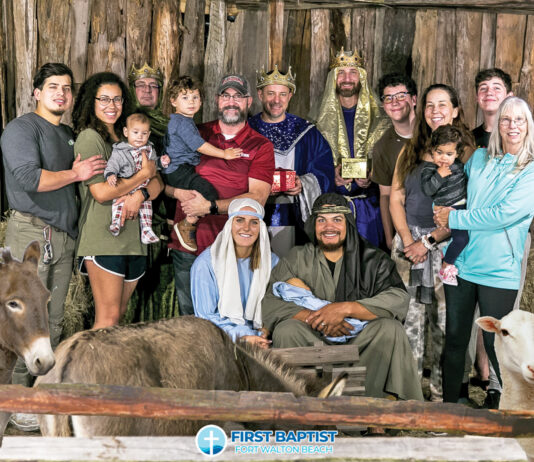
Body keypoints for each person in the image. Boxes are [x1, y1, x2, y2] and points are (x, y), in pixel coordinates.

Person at [0, 62, 106, 431]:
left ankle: (33, 401)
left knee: (53, 322)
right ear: (37, 93)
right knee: (20, 323)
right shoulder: (21, 129)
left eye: (66, 87)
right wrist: (77, 173)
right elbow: (28, 178)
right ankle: (10, 404)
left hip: (62, 237)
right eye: (52, 87)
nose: (60, 93)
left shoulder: (69, 135)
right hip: (30, 234)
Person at [262, 192, 423, 401]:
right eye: (322, 220)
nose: (329, 227)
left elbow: (398, 298)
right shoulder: (296, 257)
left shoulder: (373, 259)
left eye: (337, 220)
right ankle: (300, 407)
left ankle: (373, 407)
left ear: (348, 223)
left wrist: (345, 309)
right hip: (313, 336)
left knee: (390, 329)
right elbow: (271, 302)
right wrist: (319, 317)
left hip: (359, 339)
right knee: (286, 329)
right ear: (313, 225)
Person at [435, 96, 534, 407]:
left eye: (520, 120)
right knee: (454, 340)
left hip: (498, 268)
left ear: (528, 125)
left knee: (498, 344)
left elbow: (502, 215)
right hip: (462, 264)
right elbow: (455, 192)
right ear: (498, 125)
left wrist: (453, 218)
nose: (512, 125)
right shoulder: (478, 158)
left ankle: (512, 410)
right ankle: (451, 409)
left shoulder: (531, 171)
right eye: (506, 119)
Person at [390, 83, 475, 401]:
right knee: (408, 322)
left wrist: (427, 242)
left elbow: (468, 209)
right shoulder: (411, 148)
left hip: (445, 246)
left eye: (442, 104)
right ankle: (408, 396)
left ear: (455, 110)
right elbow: (396, 198)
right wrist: (409, 242)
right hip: (407, 249)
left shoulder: (468, 154)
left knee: (443, 323)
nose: (435, 111)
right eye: (429, 105)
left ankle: (442, 397)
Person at [167, 74, 275, 316]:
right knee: (193, 322)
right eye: (226, 95)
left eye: (238, 96)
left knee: (233, 320)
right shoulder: (195, 132)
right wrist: (177, 192)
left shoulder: (260, 145)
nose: (231, 101)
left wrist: (210, 207)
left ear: (248, 102)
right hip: (191, 244)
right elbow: (165, 174)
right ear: (217, 100)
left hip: (236, 248)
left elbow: (257, 198)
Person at [73, 72, 163, 329]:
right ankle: (94, 370)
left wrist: (140, 194)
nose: (111, 106)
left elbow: (158, 182)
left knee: (119, 315)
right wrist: (143, 175)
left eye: (117, 99)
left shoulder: (132, 137)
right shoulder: (91, 138)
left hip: (133, 239)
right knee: (108, 318)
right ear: (92, 101)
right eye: (104, 99)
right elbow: (101, 192)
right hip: (104, 238)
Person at [248, 65, 335, 257]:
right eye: (270, 93)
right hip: (251, 209)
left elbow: (325, 171)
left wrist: (302, 184)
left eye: (282, 94)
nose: (276, 100)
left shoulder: (307, 132)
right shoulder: (246, 130)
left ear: (290, 96)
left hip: (292, 211)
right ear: (260, 94)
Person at [315, 48, 389, 248]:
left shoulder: (383, 121)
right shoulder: (316, 124)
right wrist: (332, 175)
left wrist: (373, 175)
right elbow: (310, 168)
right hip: (332, 212)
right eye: (341, 73)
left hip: (372, 211)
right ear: (333, 78)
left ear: (361, 77)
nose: (347, 78)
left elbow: (393, 164)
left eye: (353, 72)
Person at [162, 76, 242, 252]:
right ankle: (187, 224)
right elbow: (199, 145)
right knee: (208, 192)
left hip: (176, 167)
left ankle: (169, 224)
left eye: (195, 97)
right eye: (185, 98)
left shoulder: (178, 120)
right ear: (173, 101)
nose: (191, 102)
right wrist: (224, 154)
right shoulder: (182, 123)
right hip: (180, 169)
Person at [191, 198, 278, 348]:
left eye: (254, 222)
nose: (246, 227)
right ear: (229, 225)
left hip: (264, 336)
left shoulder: (272, 262)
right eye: (240, 220)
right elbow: (205, 318)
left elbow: (279, 302)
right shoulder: (205, 264)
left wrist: (265, 330)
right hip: (223, 340)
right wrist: (243, 335)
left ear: (261, 228)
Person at [127, 63, 174, 322]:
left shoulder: (171, 126)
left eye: (153, 86)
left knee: (160, 285)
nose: (147, 91)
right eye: (141, 85)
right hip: (131, 214)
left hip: (165, 214)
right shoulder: (123, 125)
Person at [371, 73, 417, 251]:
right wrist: (389, 239)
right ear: (383, 105)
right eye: (388, 98)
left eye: (400, 96)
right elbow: (385, 195)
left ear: (413, 99)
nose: (394, 102)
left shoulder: (431, 132)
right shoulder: (382, 146)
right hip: (404, 230)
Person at [421, 125, 468, 286]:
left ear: (456, 154)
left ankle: (447, 253)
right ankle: (446, 266)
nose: (443, 158)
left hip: (462, 208)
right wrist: (439, 176)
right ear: (432, 151)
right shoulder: (430, 168)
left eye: (449, 154)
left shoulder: (459, 166)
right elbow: (427, 189)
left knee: (464, 238)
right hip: (445, 210)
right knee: (461, 238)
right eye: (439, 152)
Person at [105, 113, 161, 244]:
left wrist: (162, 162)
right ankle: (116, 223)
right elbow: (113, 164)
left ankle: (146, 230)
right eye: (135, 132)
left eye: (144, 133)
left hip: (143, 187)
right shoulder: (120, 150)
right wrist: (111, 174)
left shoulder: (150, 149)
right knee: (118, 203)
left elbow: (155, 166)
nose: (139, 137)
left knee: (147, 206)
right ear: (126, 132)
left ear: (149, 134)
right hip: (127, 184)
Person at [473, 68, 513, 148]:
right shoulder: (470, 139)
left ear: (509, 97)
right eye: (483, 88)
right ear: (477, 97)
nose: (489, 92)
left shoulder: (519, 135)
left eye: (497, 88)